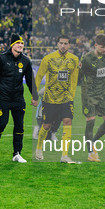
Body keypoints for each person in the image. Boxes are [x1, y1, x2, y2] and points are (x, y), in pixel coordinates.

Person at [0, 33, 37, 163]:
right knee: (1, 124)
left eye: (22, 43)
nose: (21, 45)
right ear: (12, 45)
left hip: (18, 99)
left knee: (19, 126)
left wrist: (34, 96)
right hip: (3, 98)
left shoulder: (25, 61)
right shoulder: (2, 58)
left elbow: (30, 81)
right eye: (18, 43)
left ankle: (17, 153)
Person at [34, 35, 79, 163]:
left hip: (66, 98)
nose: (63, 46)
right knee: (46, 125)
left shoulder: (74, 60)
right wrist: (34, 95)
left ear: (69, 45)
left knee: (67, 121)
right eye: (61, 43)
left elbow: (74, 79)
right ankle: (38, 148)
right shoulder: (48, 59)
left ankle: (64, 156)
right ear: (57, 44)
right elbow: (39, 76)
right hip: (50, 98)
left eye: (65, 43)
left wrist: (72, 95)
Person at [78, 34, 105, 162]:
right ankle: (91, 153)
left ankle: (92, 142)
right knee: (91, 121)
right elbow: (79, 76)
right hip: (89, 93)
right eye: (102, 47)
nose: (104, 50)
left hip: (103, 93)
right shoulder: (86, 59)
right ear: (95, 45)